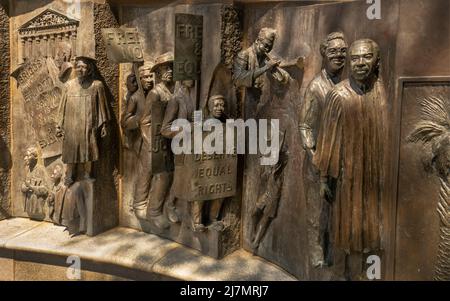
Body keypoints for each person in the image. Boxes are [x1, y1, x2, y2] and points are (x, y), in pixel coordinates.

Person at [313, 39, 387, 280]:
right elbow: (328, 139)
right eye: (355, 58)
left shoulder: (381, 92)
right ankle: (342, 273)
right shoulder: (339, 95)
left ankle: (368, 272)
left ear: (376, 61)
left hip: (375, 174)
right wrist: (325, 177)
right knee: (347, 228)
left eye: (366, 57)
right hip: (348, 177)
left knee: (373, 228)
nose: (360, 63)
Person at [299, 32, 348, 268]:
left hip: (341, 162)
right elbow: (305, 126)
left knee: (335, 212)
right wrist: (315, 156)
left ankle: (333, 254)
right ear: (323, 54)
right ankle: (316, 255)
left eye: (342, 51)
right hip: (317, 164)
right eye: (333, 51)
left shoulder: (349, 86)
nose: (339, 56)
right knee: (317, 216)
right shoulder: (316, 87)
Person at [57, 56, 110, 187]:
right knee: (71, 149)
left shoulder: (97, 85)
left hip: (88, 122)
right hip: (72, 124)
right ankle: (69, 175)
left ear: (89, 69)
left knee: (89, 148)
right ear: (75, 68)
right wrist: (58, 125)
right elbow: (62, 106)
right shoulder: (68, 86)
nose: (81, 69)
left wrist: (104, 125)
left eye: (85, 67)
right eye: (79, 66)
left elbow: (102, 107)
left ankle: (87, 173)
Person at [138, 52, 176, 229]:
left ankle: (148, 207)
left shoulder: (175, 90)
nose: (169, 71)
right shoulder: (155, 93)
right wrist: (150, 143)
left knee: (157, 174)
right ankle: (151, 211)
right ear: (158, 73)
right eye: (165, 68)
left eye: (171, 67)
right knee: (155, 174)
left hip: (168, 140)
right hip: (154, 141)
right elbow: (145, 120)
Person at [233, 28, 281, 118]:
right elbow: (238, 78)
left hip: (264, 102)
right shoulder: (244, 55)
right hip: (250, 102)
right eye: (265, 46)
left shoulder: (265, 57)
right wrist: (266, 67)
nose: (267, 50)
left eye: (270, 47)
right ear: (258, 41)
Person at [21, 146, 48, 220]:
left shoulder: (41, 169)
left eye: (28, 155)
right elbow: (24, 183)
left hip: (37, 206)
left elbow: (46, 189)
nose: (25, 158)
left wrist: (32, 187)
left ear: (35, 157)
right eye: (25, 156)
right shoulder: (27, 169)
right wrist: (24, 188)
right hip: (29, 205)